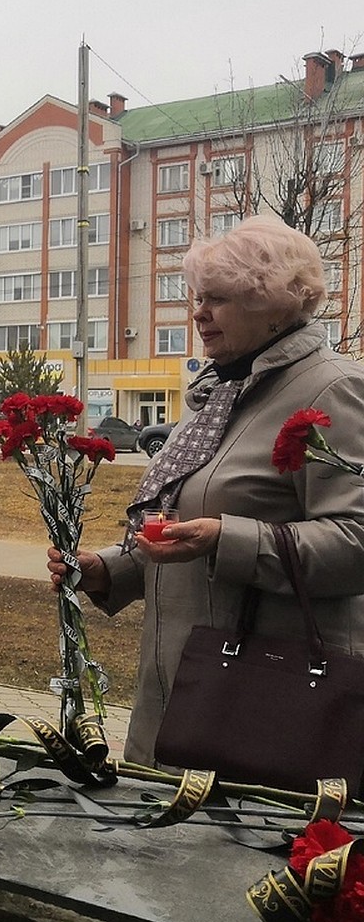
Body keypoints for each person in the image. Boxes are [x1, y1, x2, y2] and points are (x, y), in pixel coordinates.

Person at [48, 215, 364, 766]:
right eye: (198, 297)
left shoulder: (334, 388)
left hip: (265, 702)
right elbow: (186, 522)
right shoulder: (222, 392)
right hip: (180, 689)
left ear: (271, 303)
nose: (198, 313)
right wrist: (109, 569)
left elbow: (356, 542)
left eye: (217, 299)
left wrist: (226, 539)